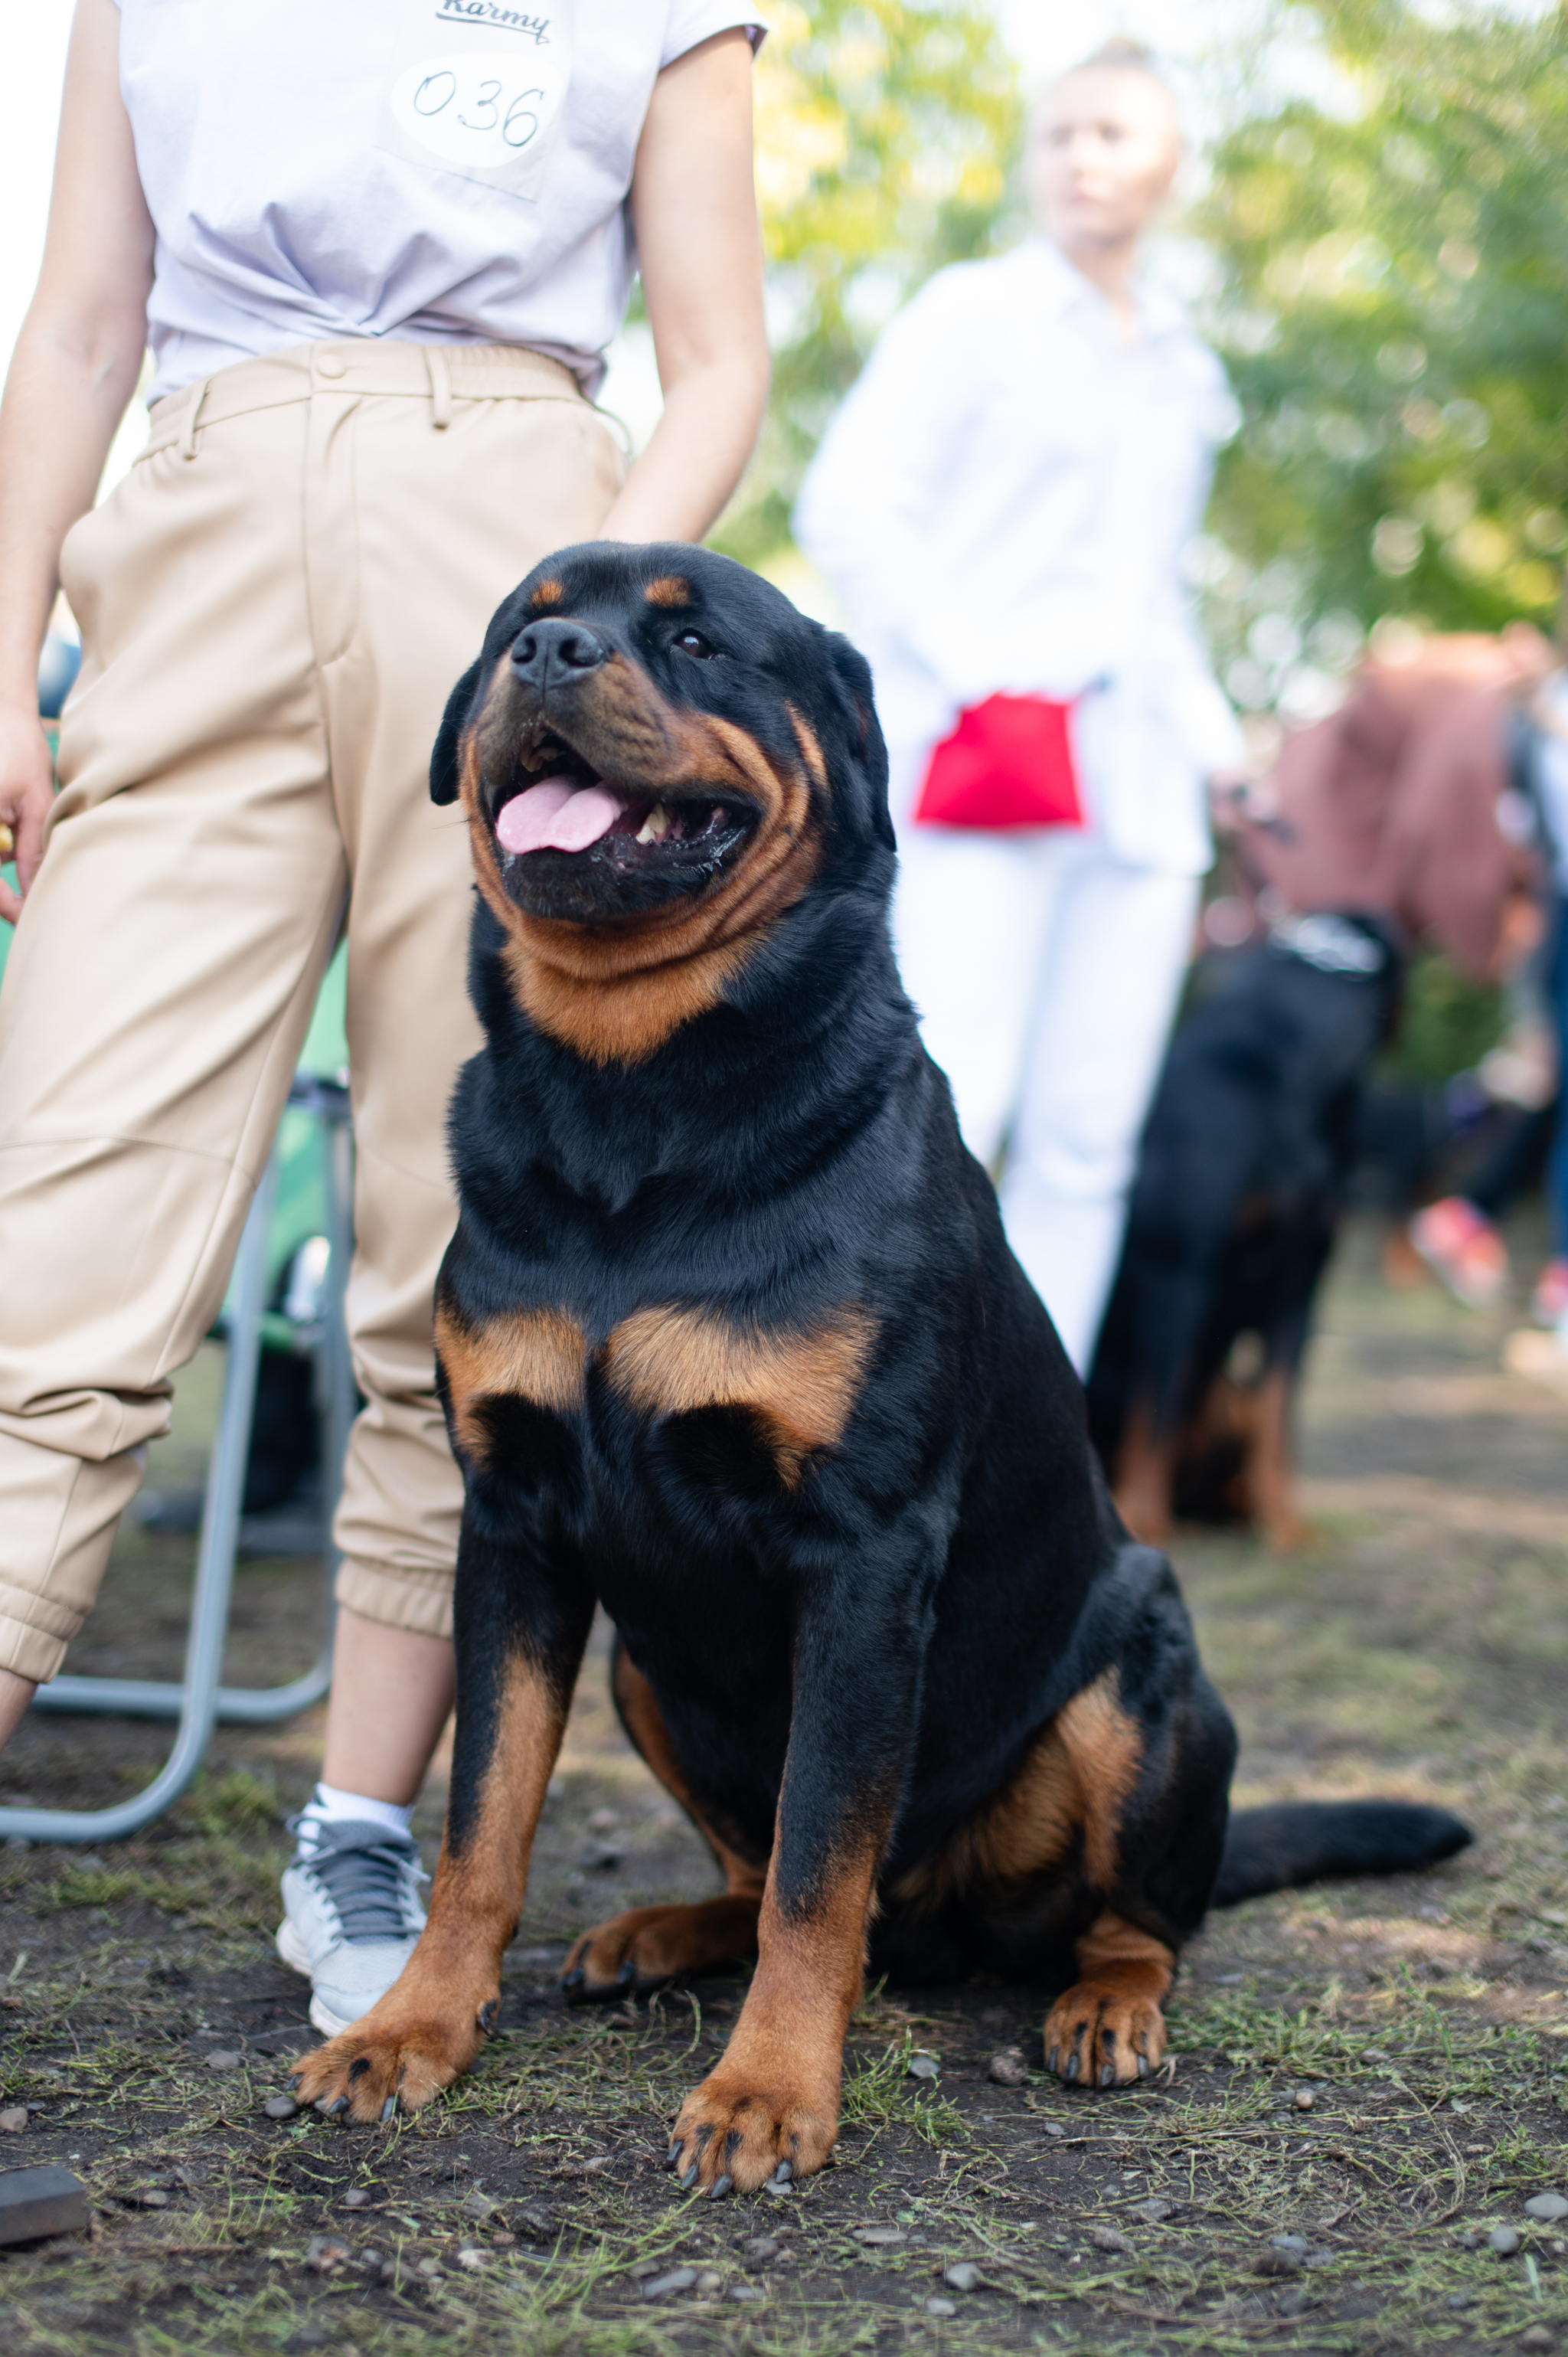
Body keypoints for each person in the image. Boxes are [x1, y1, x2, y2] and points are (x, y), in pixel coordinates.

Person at [0, 0, 768, 2035]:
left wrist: (583, 625)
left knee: (453, 1256)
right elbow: (77, 325)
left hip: (511, 546)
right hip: (193, 527)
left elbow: (721, 358)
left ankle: (361, 1827)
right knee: (55, 1227)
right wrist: (5, 657)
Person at [794, 38, 1244, 1374]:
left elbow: (1155, 588)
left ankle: (1032, 1437)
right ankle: (888, 1418)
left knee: (1090, 1142)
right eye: (1061, 134)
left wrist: (1220, 748)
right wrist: (982, 668)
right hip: (989, 763)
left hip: (1137, 783)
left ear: (1171, 167)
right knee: (950, 1102)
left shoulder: (1184, 363)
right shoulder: (971, 316)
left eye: (1115, 135)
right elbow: (849, 507)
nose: (1083, 159)